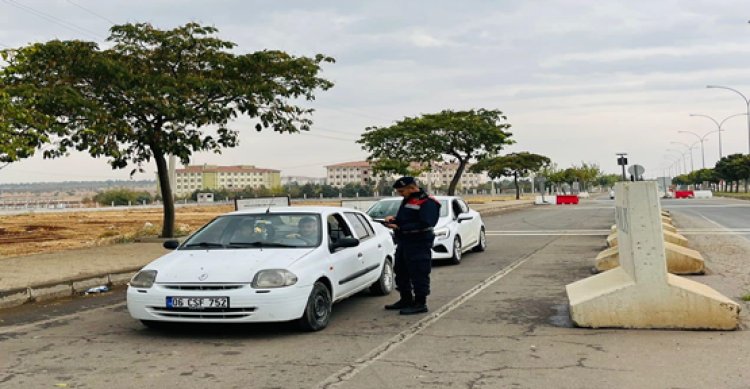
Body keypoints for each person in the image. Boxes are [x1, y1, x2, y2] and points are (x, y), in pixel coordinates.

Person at [383, 176, 441, 315]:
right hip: (404, 241)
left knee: (419, 272)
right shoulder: (408, 200)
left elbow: (426, 223)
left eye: (402, 191)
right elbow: (407, 219)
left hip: (419, 242)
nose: (400, 194)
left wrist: (400, 227)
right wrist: (394, 220)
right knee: (401, 270)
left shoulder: (428, 202)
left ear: (412, 187)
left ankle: (420, 303)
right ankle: (406, 299)